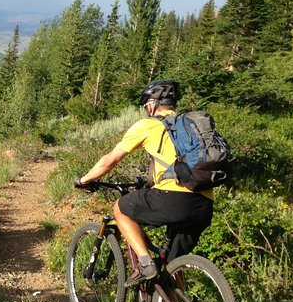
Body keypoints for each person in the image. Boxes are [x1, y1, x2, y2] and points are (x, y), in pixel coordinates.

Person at [73, 80, 214, 286]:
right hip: (204, 203)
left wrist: (84, 180)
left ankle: (145, 263)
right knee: (171, 265)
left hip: (174, 199)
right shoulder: (190, 125)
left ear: (151, 104)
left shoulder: (148, 125)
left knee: (121, 208)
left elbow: (110, 160)